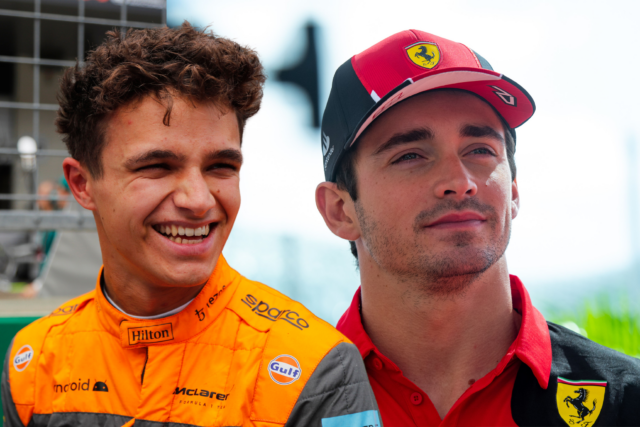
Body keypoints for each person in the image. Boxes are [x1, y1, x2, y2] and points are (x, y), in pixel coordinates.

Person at [2, 24, 381, 427]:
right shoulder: (33, 363)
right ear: (82, 185)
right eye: (157, 166)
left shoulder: (316, 369)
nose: (199, 201)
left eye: (221, 166)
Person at [315, 29, 640, 426]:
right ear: (340, 210)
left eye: (480, 150)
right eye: (410, 155)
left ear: (514, 191)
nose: (459, 180)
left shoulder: (627, 400)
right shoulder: (275, 405)